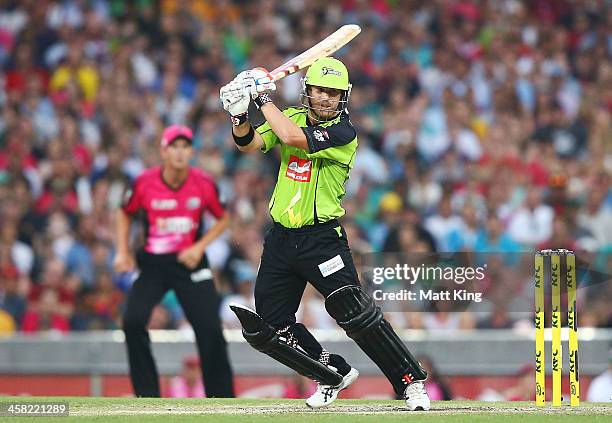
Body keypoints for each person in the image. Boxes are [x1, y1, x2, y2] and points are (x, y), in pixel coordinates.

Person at [219, 58, 430, 410]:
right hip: (281, 240)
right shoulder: (291, 115)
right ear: (308, 91)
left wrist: (260, 98)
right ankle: (331, 372)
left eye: (334, 93)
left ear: (343, 97)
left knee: (354, 314)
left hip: (322, 240)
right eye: (320, 90)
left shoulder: (344, 133)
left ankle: (410, 382)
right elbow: (249, 144)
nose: (326, 98)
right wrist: (239, 116)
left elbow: (290, 137)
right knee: (270, 326)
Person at [113, 125, 234, 398]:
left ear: (191, 152)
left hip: (190, 263)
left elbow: (224, 217)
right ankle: (147, 395)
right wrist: (122, 251)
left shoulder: (203, 182)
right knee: (132, 322)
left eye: (185, 147)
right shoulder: (144, 182)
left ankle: (222, 398)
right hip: (153, 265)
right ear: (163, 151)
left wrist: (199, 246)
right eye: (174, 147)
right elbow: (124, 213)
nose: (179, 153)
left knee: (211, 328)